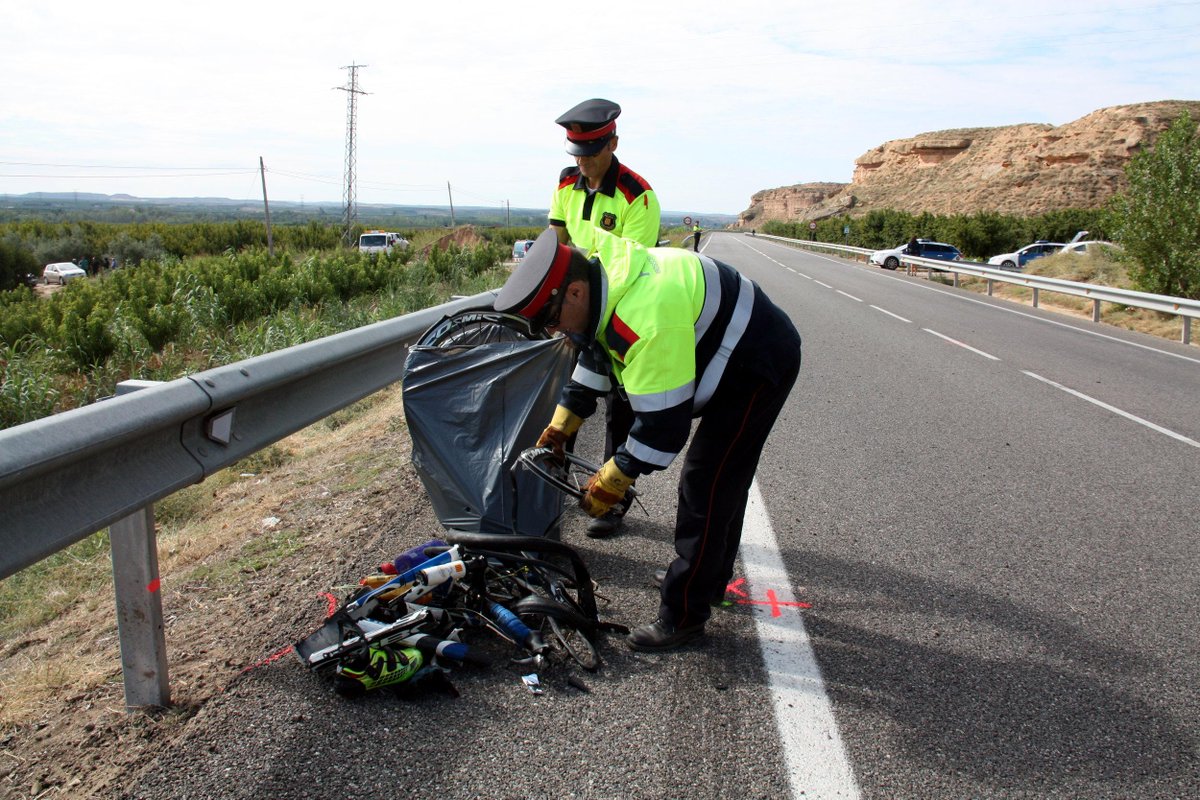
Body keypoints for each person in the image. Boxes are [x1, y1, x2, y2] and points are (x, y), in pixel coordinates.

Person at [494, 228, 802, 652]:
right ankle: (706, 578)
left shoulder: (645, 318)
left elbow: (662, 428)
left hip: (758, 363)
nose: (555, 331)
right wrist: (561, 426)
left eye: (551, 320)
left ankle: (685, 615)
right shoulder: (607, 282)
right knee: (720, 481)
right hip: (730, 345)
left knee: (707, 481)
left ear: (576, 293)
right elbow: (596, 356)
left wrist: (613, 479)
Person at [547, 98, 662, 539]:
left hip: (619, 314)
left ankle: (612, 501)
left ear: (612, 143)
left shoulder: (637, 196)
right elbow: (557, 243)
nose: (583, 162)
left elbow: (630, 271)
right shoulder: (565, 183)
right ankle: (552, 490)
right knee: (569, 402)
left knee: (620, 408)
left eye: (591, 153)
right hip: (575, 310)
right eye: (576, 153)